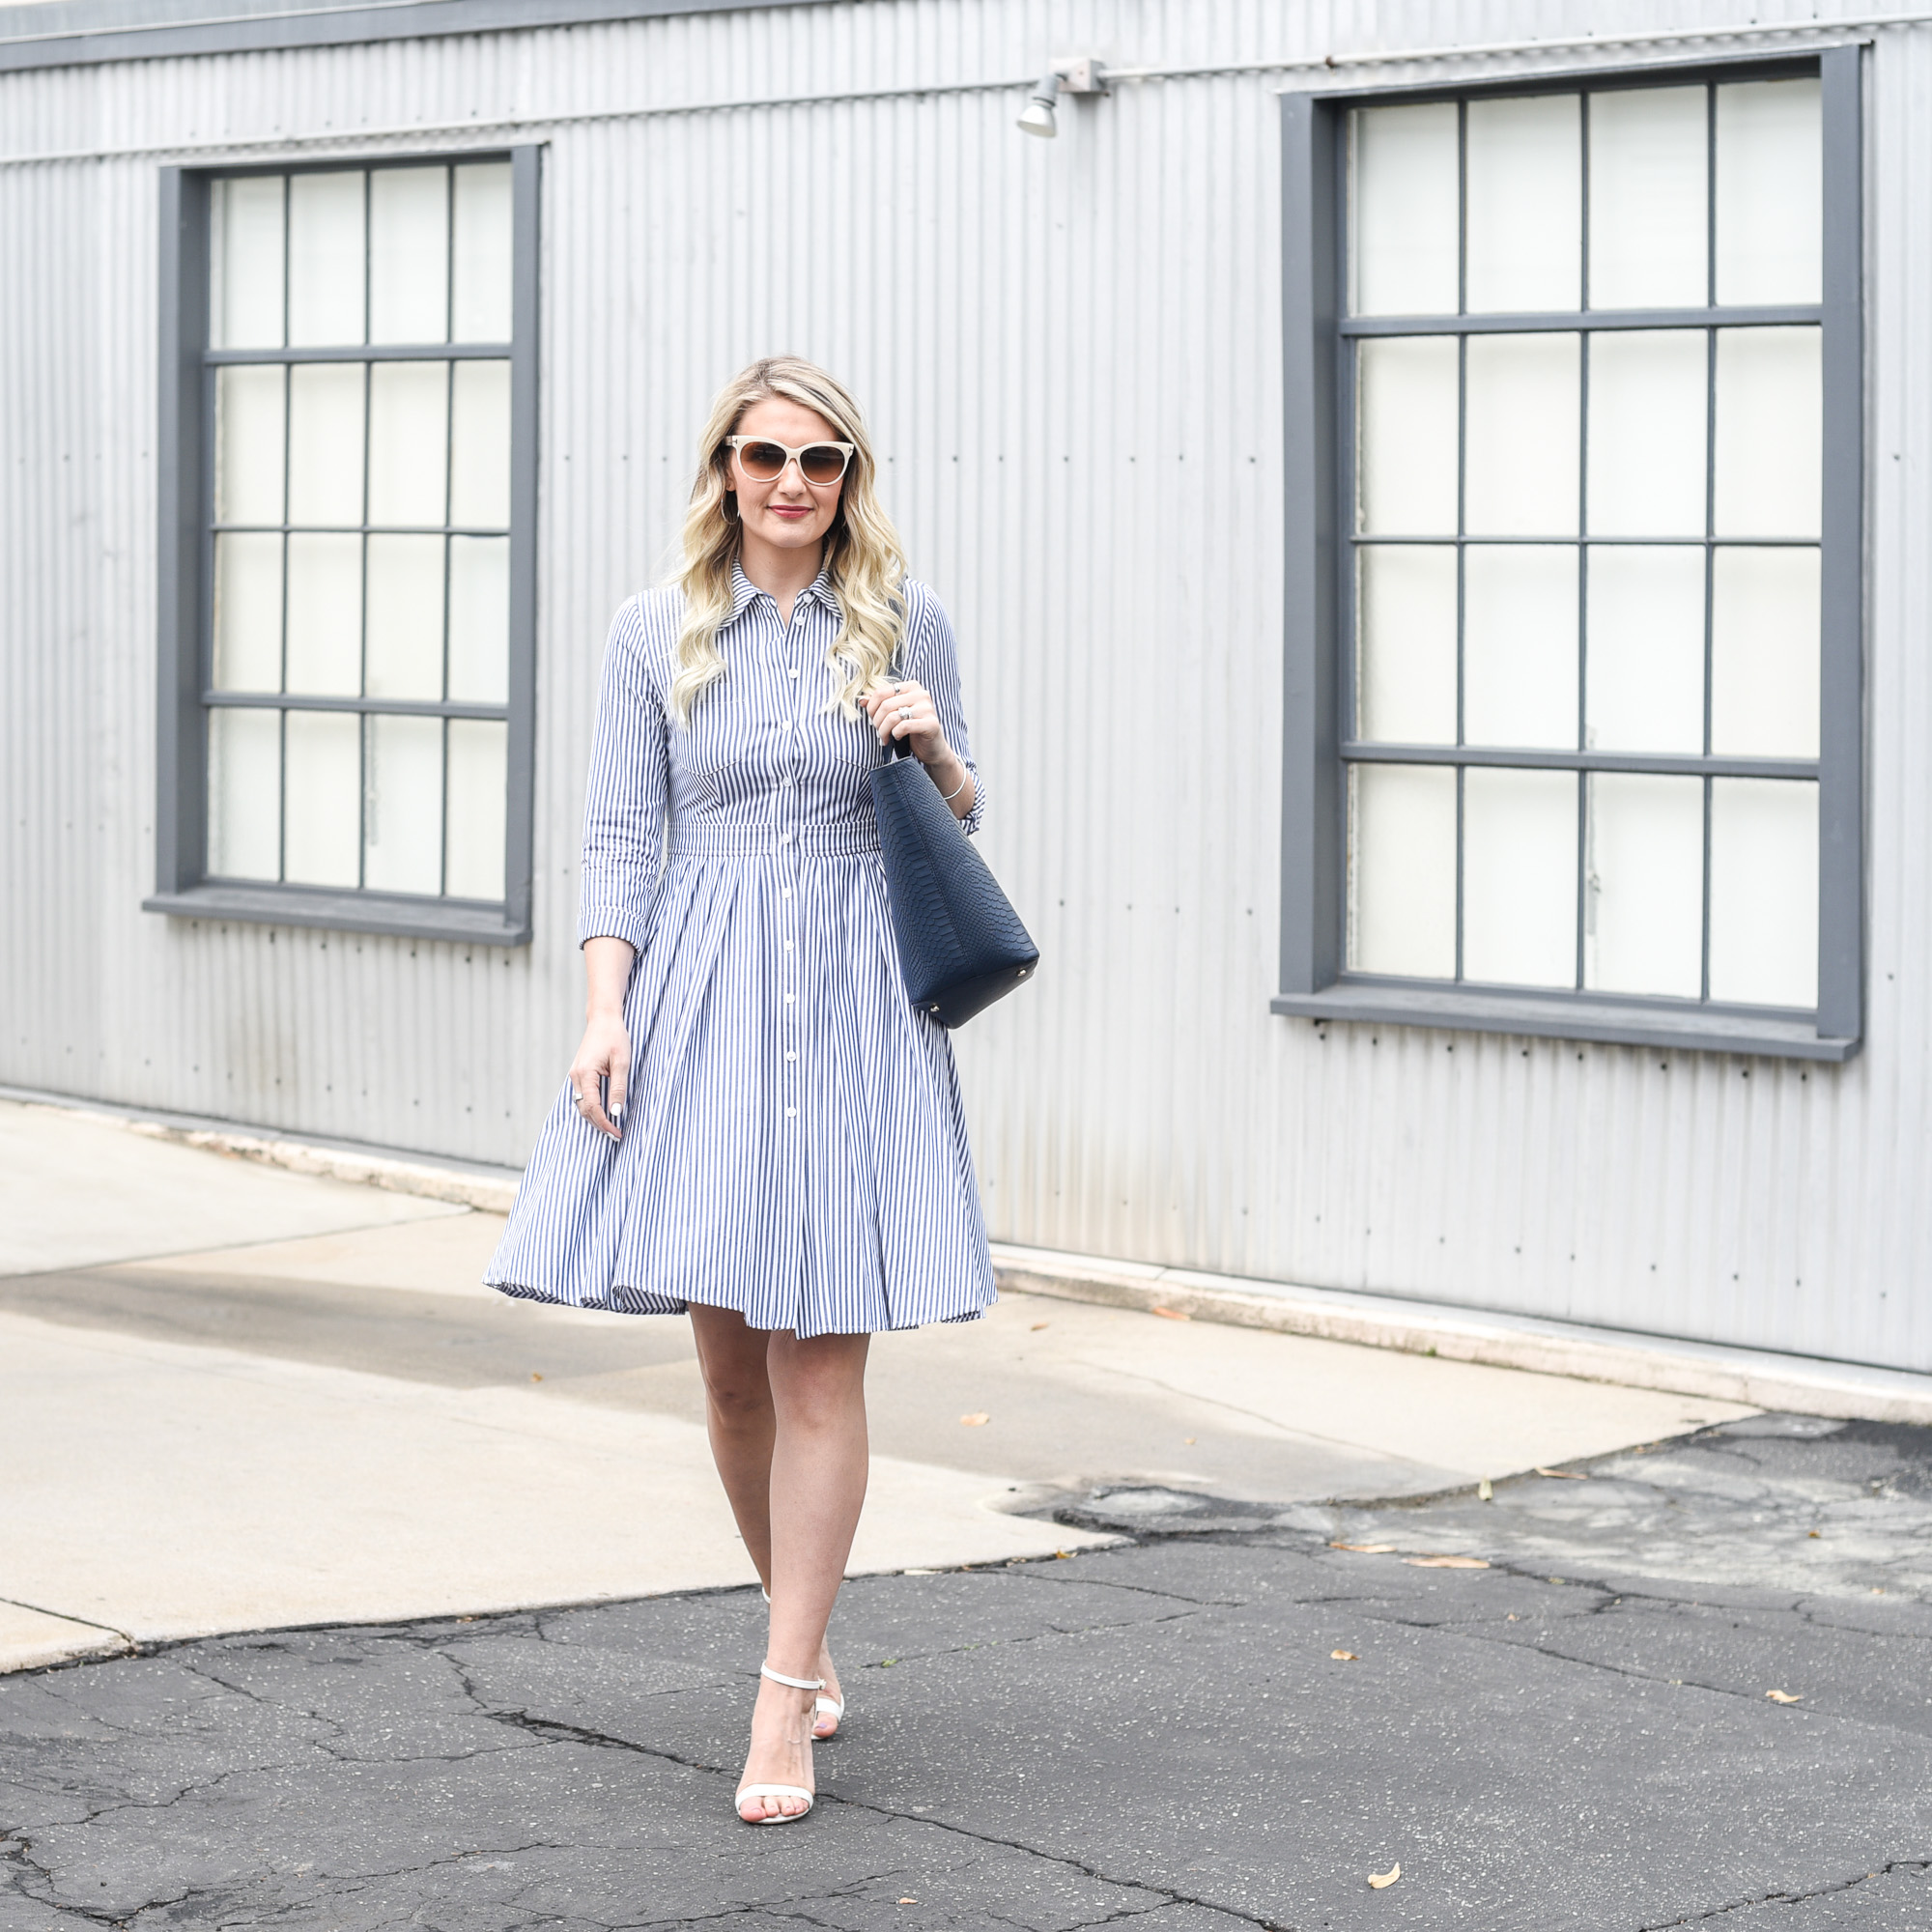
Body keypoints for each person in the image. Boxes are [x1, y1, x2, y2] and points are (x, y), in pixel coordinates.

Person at [485, 355, 998, 1825]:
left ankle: (778, 1701)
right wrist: (603, 1011)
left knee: (817, 1362)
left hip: (850, 999)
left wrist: (933, 744)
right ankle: (805, 1626)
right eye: (766, 455)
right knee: (727, 1368)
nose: (793, 482)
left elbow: (969, 811)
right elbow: (616, 833)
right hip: (700, 996)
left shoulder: (903, 620)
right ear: (723, 468)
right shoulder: (655, 629)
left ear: (851, 480)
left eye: (822, 461)